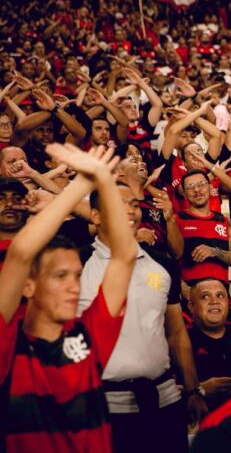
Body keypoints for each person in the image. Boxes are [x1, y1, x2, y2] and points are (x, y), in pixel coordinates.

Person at [0, 144, 136, 452]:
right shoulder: (8, 344)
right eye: (60, 276)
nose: (74, 286)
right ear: (28, 286)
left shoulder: (86, 335)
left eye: (76, 275)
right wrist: (80, 185)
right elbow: (20, 254)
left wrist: (103, 178)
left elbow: (125, 255)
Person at [79, 182, 205, 453]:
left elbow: (175, 333)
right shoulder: (76, 264)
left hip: (165, 401)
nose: (131, 212)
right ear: (96, 216)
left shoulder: (162, 264)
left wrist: (194, 391)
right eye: (118, 204)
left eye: (134, 205)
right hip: (103, 407)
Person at [187, 279, 231, 411]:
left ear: (228, 303)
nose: (214, 301)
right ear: (191, 306)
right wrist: (199, 390)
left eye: (220, 295)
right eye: (205, 296)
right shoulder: (181, 342)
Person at [177, 170, 231, 286]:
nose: (197, 190)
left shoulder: (225, 222)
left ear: (211, 188)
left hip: (221, 296)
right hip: (191, 296)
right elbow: (168, 261)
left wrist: (215, 252)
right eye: (190, 187)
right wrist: (182, 288)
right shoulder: (177, 220)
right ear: (184, 195)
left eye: (201, 184)